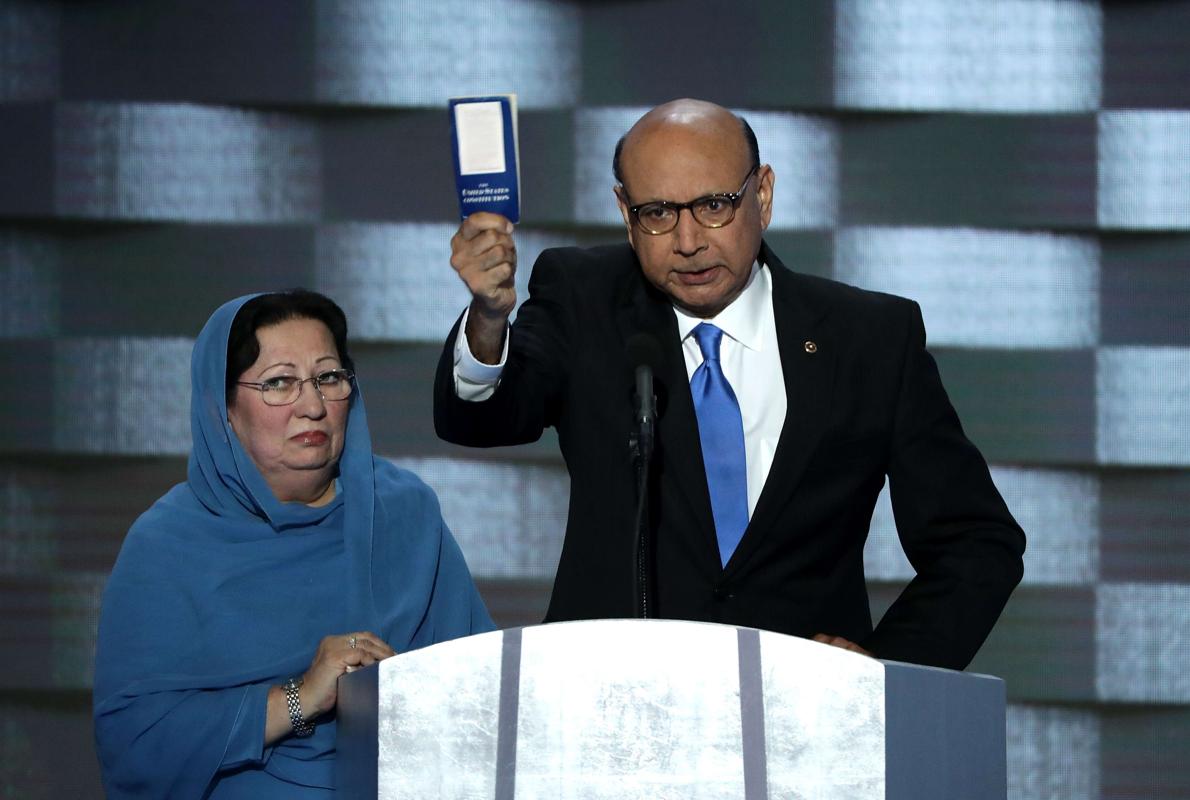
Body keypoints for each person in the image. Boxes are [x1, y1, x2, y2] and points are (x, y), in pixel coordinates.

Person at [434, 98, 1025, 671]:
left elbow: (975, 542)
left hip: (806, 724)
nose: (688, 241)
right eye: (658, 213)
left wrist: (882, 672)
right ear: (624, 211)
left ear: (762, 195)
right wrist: (489, 319)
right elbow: (485, 417)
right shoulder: (583, 296)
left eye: (714, 205)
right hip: (611, 715)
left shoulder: (868, 338)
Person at [94, 290, 493, 798]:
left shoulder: (405, 513)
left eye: (329, 377)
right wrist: (300, 698)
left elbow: (483, 694)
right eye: (279, 383)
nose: (312, 406)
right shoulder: (168, 544)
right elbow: (133, 745)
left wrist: (407, 696)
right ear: (224, 409)